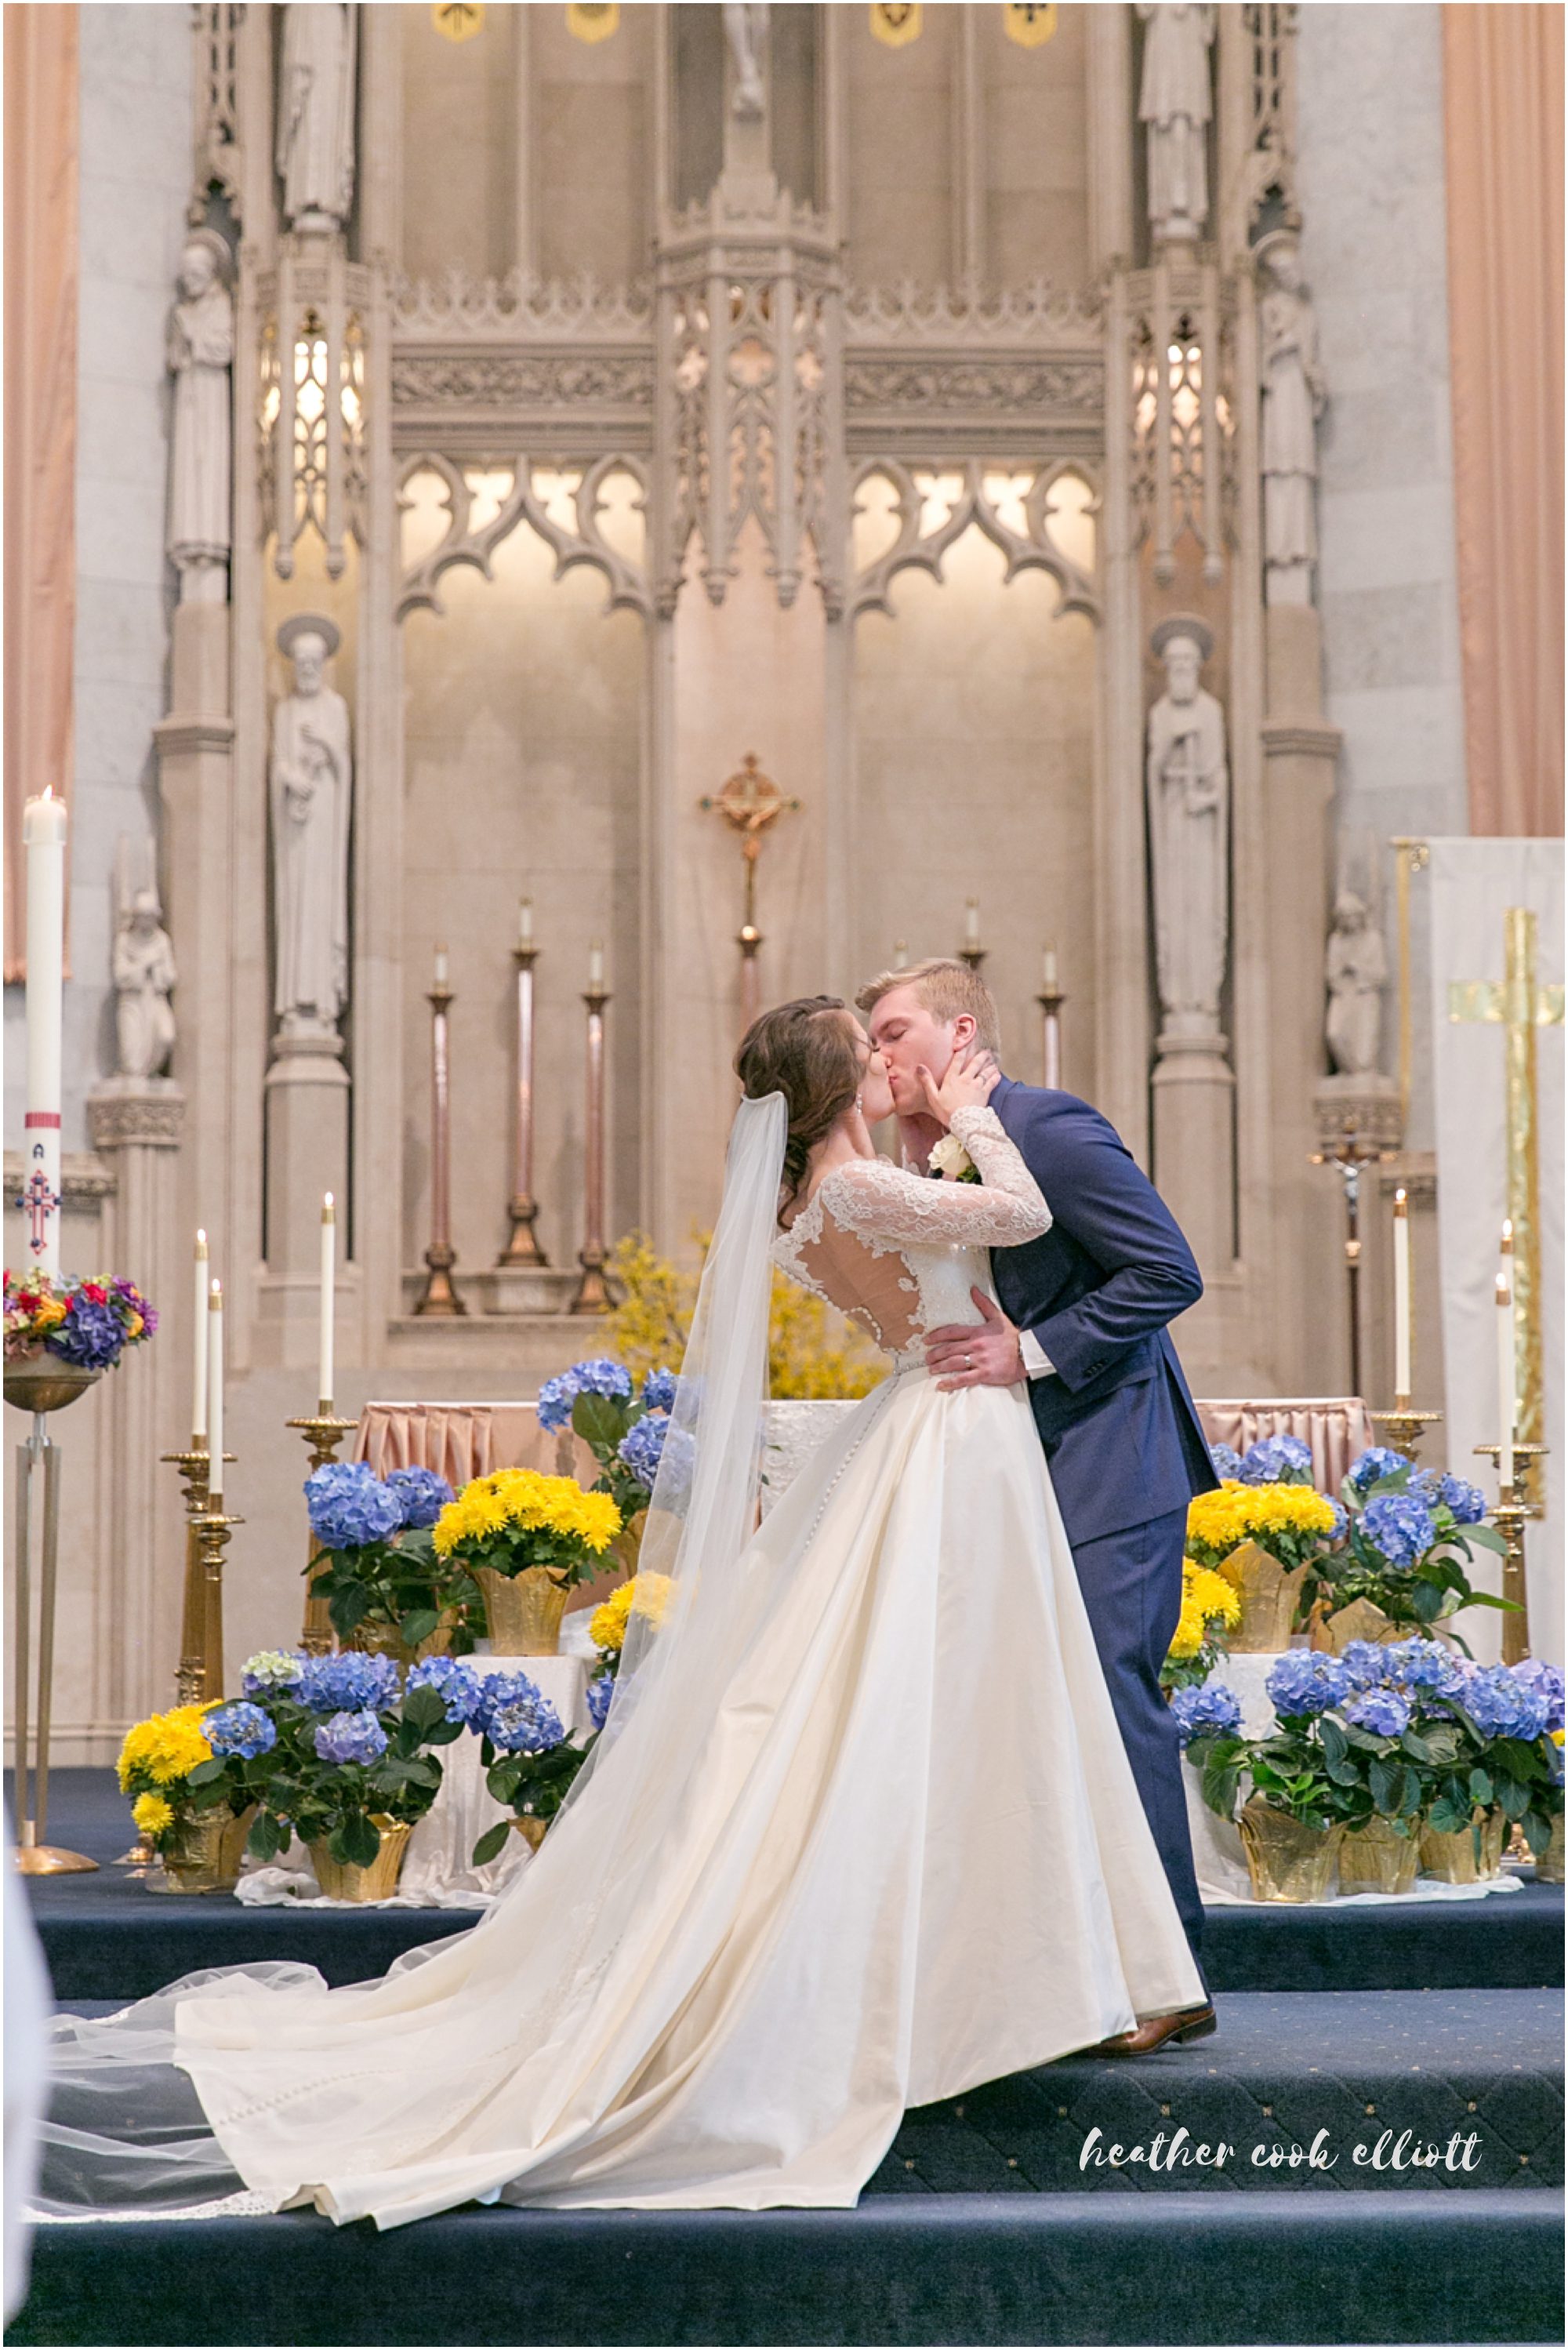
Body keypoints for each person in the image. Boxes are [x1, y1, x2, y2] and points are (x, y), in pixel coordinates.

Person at [40, 997, 1205, 2230]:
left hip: (942, 1424)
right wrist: (974, 1116)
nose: (885, 1060)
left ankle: (995, 1971)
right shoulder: (863, 1189)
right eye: (865, 1050)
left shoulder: (816, 1209)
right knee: (923, 1711)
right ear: (829, 1081)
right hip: (955, 1433)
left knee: (934, 1712)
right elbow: (1020, 1217)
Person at [860, 958, 1218, 2047]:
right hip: (1012, 1472)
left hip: (1116, 1457)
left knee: (1115, 1700)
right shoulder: (922, 1157)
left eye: (895, 1028)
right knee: (1041, 1716)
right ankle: (1073, 1968)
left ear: (961, 1027)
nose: (879, 1052)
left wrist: (1035, 1349)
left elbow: (1168, 1270)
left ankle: (1174, 1979)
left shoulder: (1049, 1127)